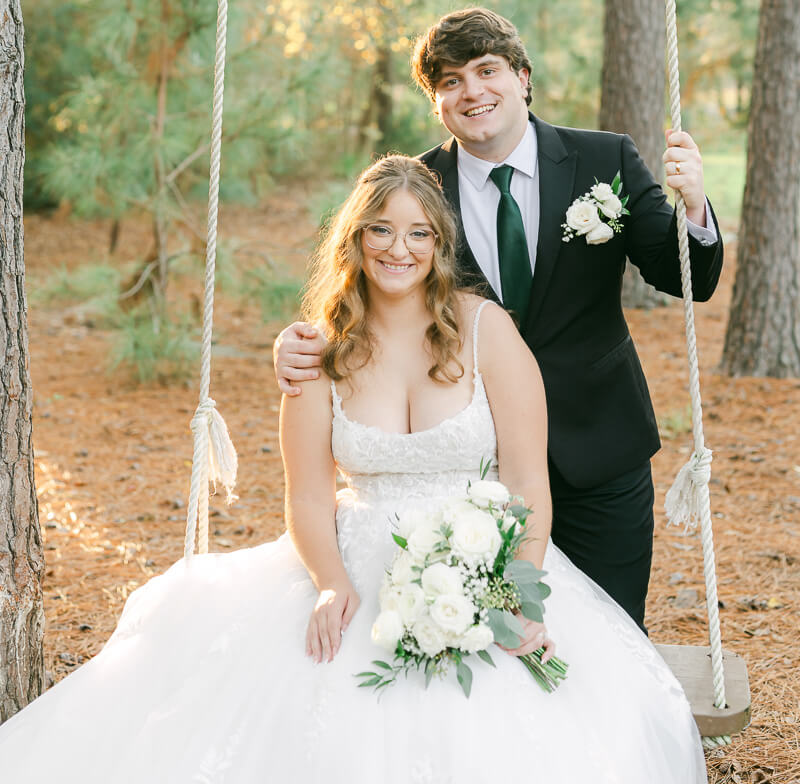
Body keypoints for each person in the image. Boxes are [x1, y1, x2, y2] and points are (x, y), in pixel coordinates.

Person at [0, 155, 706, 782]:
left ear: (439, 244)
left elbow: (527, 485)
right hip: (356, 556)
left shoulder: (488, 331)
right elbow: (308, 496)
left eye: (418, 234)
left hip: (484, 561)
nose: (399, 250)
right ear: (355, 239)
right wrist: (331, 583)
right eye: (381, 231)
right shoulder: (320, 351)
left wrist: (514, 591)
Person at [274, 7, 724, 630]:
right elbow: (365, 291)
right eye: (451, 81)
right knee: (481, 641)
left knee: (607, 638)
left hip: (597, 446)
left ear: (522, 77)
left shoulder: (604, 162)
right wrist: (299, 347)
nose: (472, 91)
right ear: (437, 102)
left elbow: (689, 278)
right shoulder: (417, 188)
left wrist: (695, 205)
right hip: (469, 470)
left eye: (487, 71)